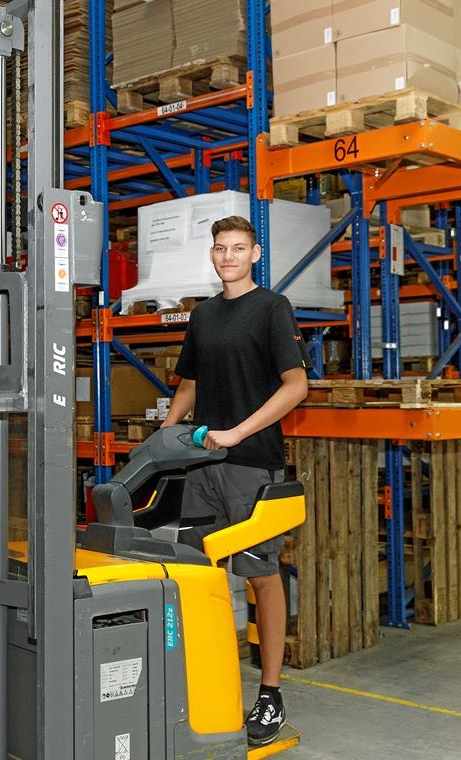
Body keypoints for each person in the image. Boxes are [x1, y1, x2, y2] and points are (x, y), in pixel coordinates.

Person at [160, 214, 310, 747]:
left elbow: (297, 386)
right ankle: (208, 685)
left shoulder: (272, 308)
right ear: (213, 254)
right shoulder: (202, 316)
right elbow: (191, 383)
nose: (228, 256)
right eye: (221, 248)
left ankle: (270, 693)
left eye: (238, 248)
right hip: (202, 467)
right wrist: (165, 434)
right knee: (200, 576)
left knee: (260, 575)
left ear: (256, 253)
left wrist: (238, 432)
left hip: (251, 464)